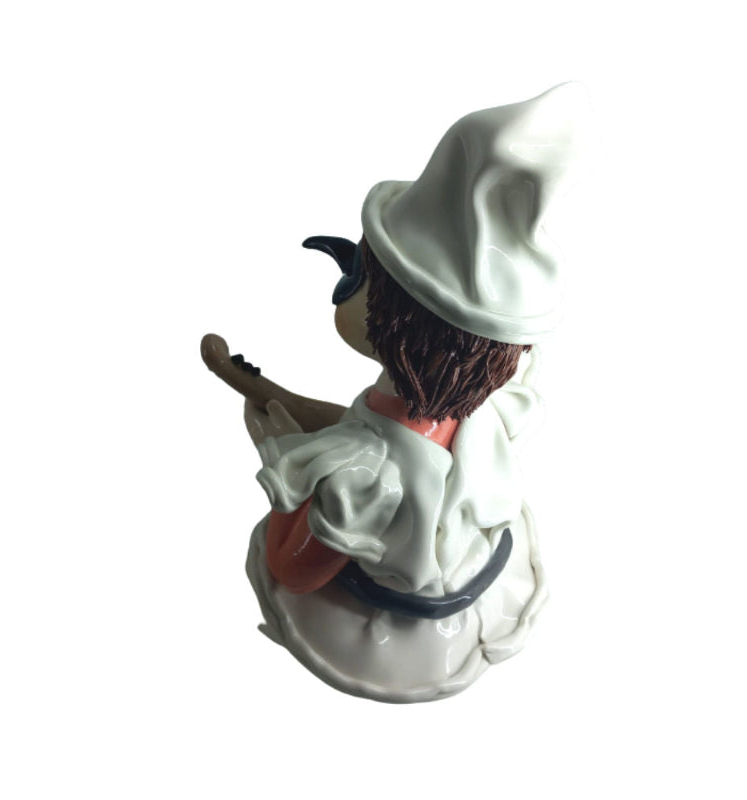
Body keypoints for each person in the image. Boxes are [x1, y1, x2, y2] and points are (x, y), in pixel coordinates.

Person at [202, 83, 595, 702]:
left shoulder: (359, 480)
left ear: (396, 324)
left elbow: (293, 567)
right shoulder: (489, 408)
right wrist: (261, 387)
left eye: (360, 276)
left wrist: (283, 457)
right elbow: (364, 431)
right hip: (478, 575)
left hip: (382, 633)